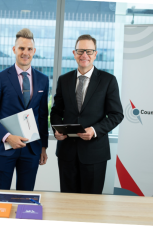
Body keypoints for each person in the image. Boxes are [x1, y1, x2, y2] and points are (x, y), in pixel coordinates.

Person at [50, 34, 124, 194]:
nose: (84, 55)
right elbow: (56, 111)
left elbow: (116, 114)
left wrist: (95, 130)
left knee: (91, 204)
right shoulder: (64, 80)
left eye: (89, 51)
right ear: (74, 53)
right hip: (66, 152)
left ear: (95, 54)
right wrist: (57, 130)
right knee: (67, 201)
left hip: (94, 154)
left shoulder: (108, 80)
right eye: (80, 51)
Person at [0, 28, 49, 191]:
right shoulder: (0, 77)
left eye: (29, 49)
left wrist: (43, 147)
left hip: (32, 148)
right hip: (4, 148)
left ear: (34, 51)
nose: (25, 52)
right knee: (0, 196)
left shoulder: (43, 79)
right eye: (21, 48)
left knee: (25, 197)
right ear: (14, 50)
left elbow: (42, 115)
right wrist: (7, 137)